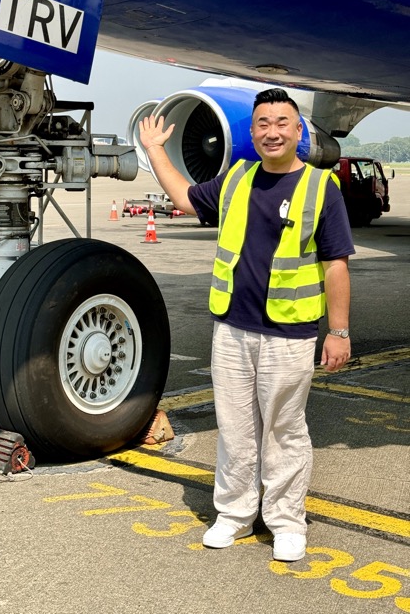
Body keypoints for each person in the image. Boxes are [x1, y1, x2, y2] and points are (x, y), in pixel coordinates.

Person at [139, 87, 354, 562]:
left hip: (289, 333)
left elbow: (336, 263)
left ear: (299, 132)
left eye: (282, 123)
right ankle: (235, 514)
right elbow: (186, 199)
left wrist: (337, 332)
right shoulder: (237, 178)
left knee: (283, 430)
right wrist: (154, 150)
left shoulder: (321, 188)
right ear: (252, 132)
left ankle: (286, 521)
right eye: (262, 123)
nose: (271, 131)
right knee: (234, 428)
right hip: (233, 330)